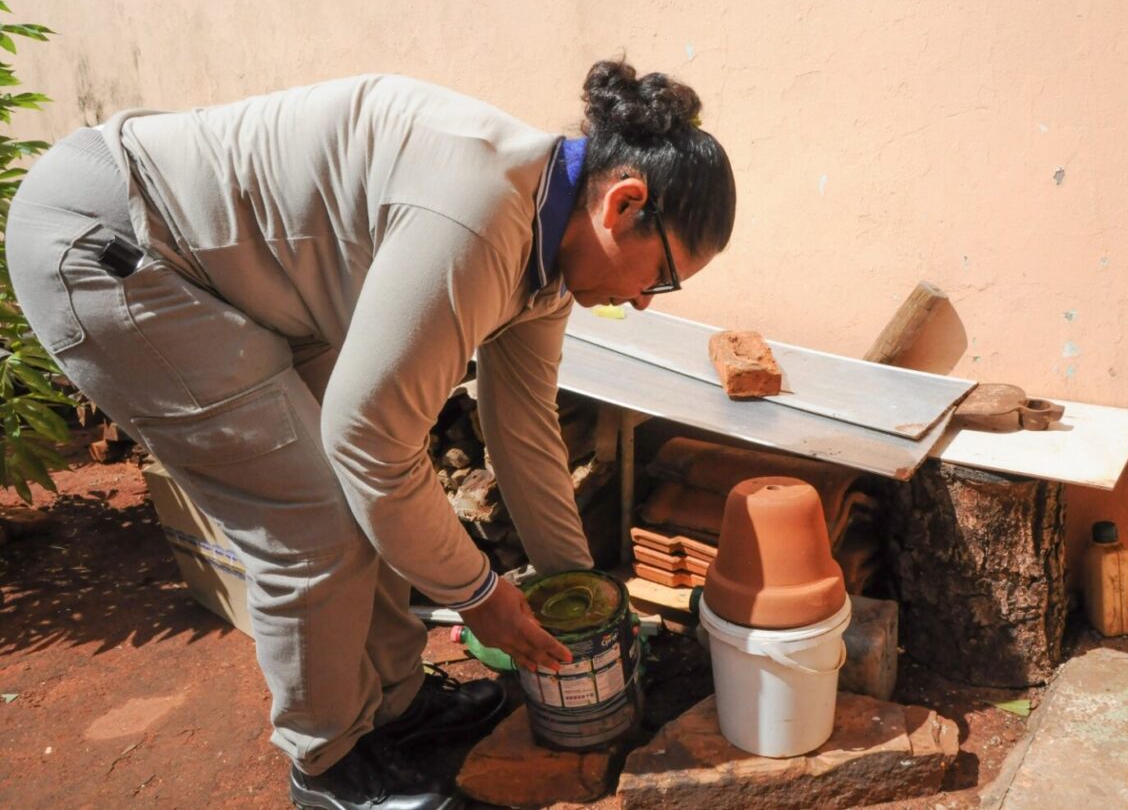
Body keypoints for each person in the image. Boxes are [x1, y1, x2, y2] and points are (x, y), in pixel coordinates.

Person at [6, 58, 736, 809]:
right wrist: (478, 594)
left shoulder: (549, 255)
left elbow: (524, 433)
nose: (645, 302)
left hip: (239, 277)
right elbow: (367, 443)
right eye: (661, 275)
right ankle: (325, 762)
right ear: (623, 203)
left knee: (375, 496)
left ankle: (396, 704)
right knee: (314, 525)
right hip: (118, 244)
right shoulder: (480, 216)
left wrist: (578, 592)